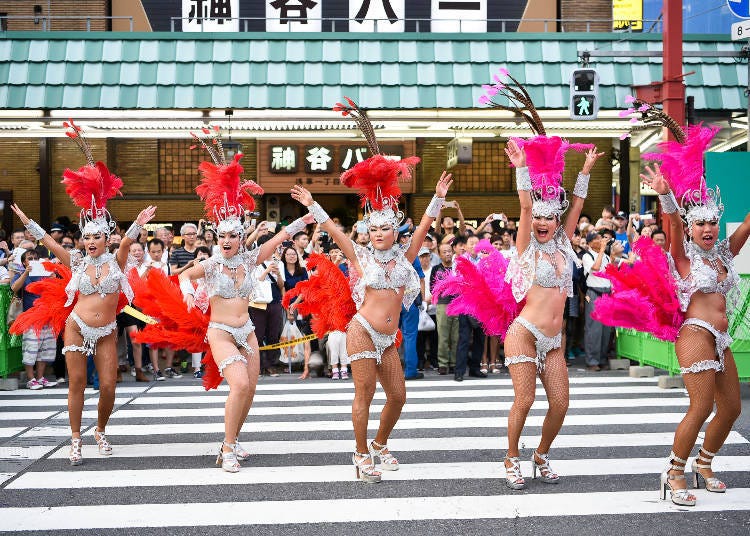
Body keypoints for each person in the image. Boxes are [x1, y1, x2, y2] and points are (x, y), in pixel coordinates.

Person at [291, 96, 452, 483]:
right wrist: (313, 205)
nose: (380, 234)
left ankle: (380, 443)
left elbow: (424, 228)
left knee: (398, 396)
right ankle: (361, 454)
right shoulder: (359, 255)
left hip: (388, 337)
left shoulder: (404, 254)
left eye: (386, 229)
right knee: (364, 393)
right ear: (368, 231)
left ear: (394, 230)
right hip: (362, 330)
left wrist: (437, 200)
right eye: (374, 229)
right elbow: (332, 230)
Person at [482, 69, 605, 491]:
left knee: (561, 403)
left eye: (548, 217)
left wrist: (585, 169)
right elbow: (522, 201)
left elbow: (579, 204)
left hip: (555, 337)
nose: (541, 222)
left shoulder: (566, 243)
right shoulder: (526, 246)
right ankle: (511, 457)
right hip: (525, 332)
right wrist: (521, 169)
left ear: (556, 220)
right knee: (526, 398)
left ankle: (541, 455)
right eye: (537, 217)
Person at [10, 121, 156, 465]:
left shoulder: (118, 259)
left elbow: (130, 241)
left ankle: (100, 430)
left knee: (108, 386)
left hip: (106, 329)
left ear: (106, 237)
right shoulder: (75, 260)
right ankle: (75, 438)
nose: (89, 242)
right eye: (85, 237)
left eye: (96, 237)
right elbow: (47, 241)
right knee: (76, 383)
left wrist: (138, 222)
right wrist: (29, 222)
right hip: (76, 326)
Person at [179, 130, 312, 472]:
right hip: (221, 331)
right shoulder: (209, 265)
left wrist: (305, 217)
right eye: (220, 235)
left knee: (250, 390)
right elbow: (183, 276)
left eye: (231, 236)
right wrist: (189, 293)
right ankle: (226, 447)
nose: (225, 240)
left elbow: (280, 237)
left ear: (240, 237)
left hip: (247, 331)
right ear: (216, 237)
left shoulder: (250, 260)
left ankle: (234, 440)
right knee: (237, 383)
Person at [638, 121, 749, 506]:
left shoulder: (722, 253)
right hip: (695, 334)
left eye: (712, 221)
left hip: (720, 338)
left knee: (732, 407)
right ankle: (673, 472)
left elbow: (749, 223)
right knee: (700, 406)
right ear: (690, 227)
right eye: (700, 222)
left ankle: (704, 464)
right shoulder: (682, 256)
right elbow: (670, 222)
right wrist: (667, 196)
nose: (708, 227)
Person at [10, 250, 57, 389]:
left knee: (46, 348)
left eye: (36, 258)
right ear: (24, 262)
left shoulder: (44, 273)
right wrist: (26, 272)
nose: (33, 260)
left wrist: (53, 277)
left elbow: (54, 290)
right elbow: (14, 288)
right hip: (30, 317)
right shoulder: (20, 274)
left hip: (47, 316)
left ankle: (40, 377)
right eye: (30, 258)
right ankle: (31, 380)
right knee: (31, 348)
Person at [582, 230, 613, 371]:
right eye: (597, 238)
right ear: (590, 243)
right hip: (593, 293)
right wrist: (601, 250)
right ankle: (592, 360)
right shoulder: (587, 256)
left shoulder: (606, 257)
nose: (601, 240)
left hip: (607, 293)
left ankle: (602, 358)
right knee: (594, 328)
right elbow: (595, 268)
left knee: (606, 329)